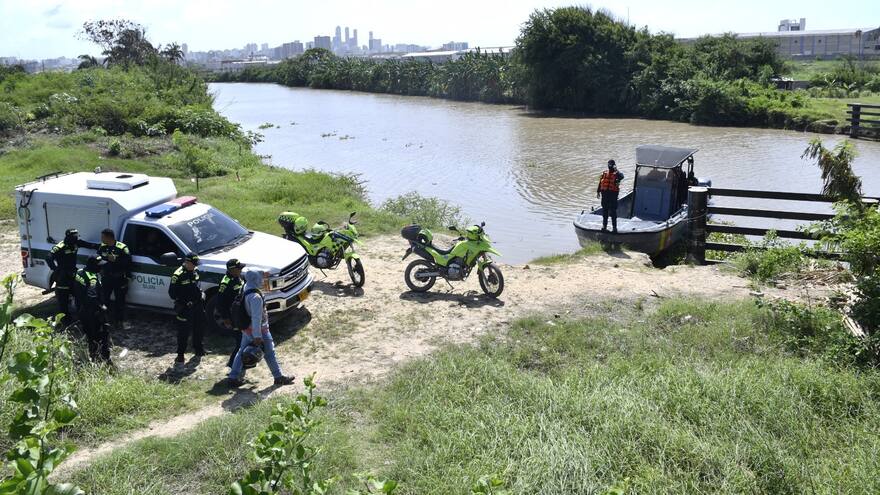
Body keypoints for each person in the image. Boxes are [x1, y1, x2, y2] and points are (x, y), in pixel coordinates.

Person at [227, 269, 294, 387]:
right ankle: (278, 377)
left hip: (246, 329)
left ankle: (233, 377)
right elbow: (256, 318)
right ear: (255, 280)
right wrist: (257, 336)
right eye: (260, 279)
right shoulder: (256, 298)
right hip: (259, 330)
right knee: (270, 353)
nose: (262, 281)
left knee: (241, 351)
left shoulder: (245, 287)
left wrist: (263, 273)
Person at [46, 228, 99, 325]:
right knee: (63, 300)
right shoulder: (60, 247)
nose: (76, 239)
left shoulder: (76, 243)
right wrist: (55, 269)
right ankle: (65, 321)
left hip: (74, 273)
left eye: (77, 237)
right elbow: (48, 257)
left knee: (79, 295)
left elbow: (90, 245)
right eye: (74, 237)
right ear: (68, 237)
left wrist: (101, 247)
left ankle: (81, 317)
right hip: (63, 276)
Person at [74, 256, 111, 364]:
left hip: (81, 309)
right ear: (94, 266)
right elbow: (92, 297)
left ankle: (93, 355)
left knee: (89, 335)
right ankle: (102, 358)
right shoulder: (93, 279)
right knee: (100, 335)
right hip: (92, 312)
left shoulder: (80, 272)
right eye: (99, 266)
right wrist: (102, 307)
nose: (101, 268)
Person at [169, 252, 205, 363]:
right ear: (187, 262)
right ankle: (180, 355)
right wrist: (185, 300)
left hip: (197, 305)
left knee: (199, 328)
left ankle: (198, 349)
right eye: (193, 264)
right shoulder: (178, 275)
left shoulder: (195, 271)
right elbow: (172, 294)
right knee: (183, 332)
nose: (195, 266)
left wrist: (201, 294)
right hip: (185, 308)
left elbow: (197, 285)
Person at [96, 228, 131, 328]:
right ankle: (105, 321)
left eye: (103, 237)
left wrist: (116, 260)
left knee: (120, 301)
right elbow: (98, 259)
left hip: (119, 278)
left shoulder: (122, 247)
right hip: (106, 278)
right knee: (104, 299)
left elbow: (128, 262)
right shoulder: (102, 247)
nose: (101, 239)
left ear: (109, 237)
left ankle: (119, 321)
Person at [215, 258, 246, 367]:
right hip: (233, 317)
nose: (241, 270)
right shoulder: (225, 283)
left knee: (244, 339)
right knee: (240, 342)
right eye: (239, 268)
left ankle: (243, 362)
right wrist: (226, 319)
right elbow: (220, 304)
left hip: (242, 314)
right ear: (232, 270)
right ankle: (232, 364)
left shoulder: (239, 277)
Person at [597, 159, 625, 233]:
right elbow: (600, 182)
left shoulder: (617, 174)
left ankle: (614, 228)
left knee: (613, 212)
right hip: (605, 195)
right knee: (605, 211)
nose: (610, 166)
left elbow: (622, 176)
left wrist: (616, 170)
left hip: (613, 195)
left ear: (614, 165)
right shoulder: (604, 173)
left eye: (611, 164)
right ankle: (604, 226)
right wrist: (598, 191)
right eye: (609, 164)